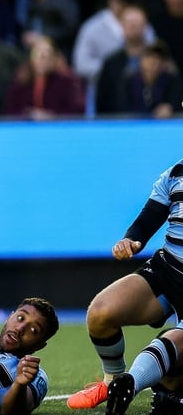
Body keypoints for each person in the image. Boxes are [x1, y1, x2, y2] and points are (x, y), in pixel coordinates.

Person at [67, 158, 183, 410]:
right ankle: (115, 382)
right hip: (170, 269)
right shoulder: (175, 174)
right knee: (101, 312)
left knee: (175, 348)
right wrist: (130, 240)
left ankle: (137, 384)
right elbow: (147, 221)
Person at [3, 35, 86, 119]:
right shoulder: (20, 82)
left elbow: (76, 111)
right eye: (38, 54)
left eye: (47, 54)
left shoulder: (68, 82)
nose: (42, 59)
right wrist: (28, 115)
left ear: (55, 58)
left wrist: (52, 116)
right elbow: (10, 111)